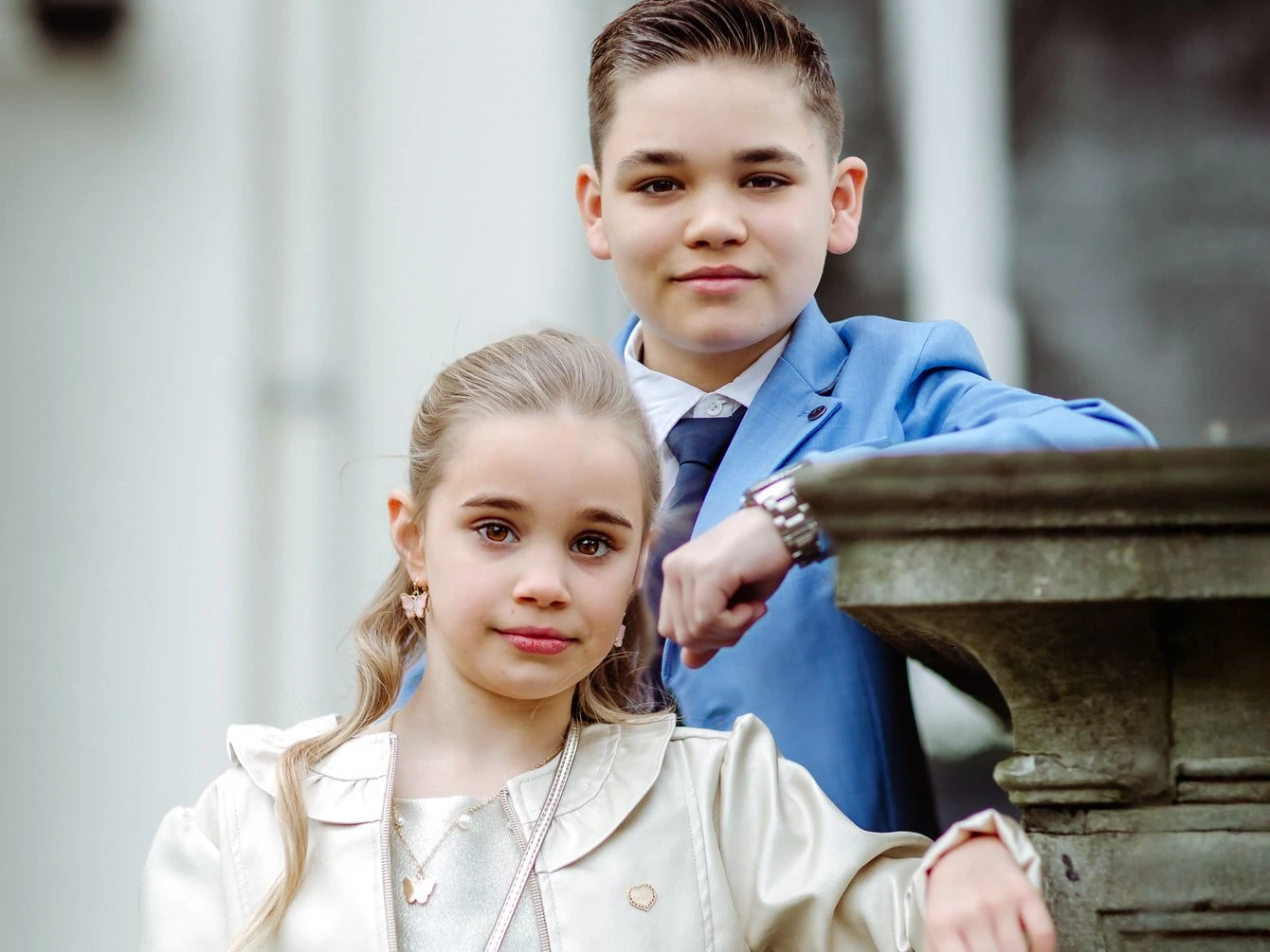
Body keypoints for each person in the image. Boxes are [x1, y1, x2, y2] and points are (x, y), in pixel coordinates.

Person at [141, 330, 1055, 952]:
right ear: (414, 540)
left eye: (592, 543)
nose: (544, 581)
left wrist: (971, 856)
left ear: (636, 572)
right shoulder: (251, 820)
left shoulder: (720, 797)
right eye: (496, 529)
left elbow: (911, 917)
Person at [573, 0, 1157, 834]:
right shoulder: (539, 420)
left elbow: (1114, 454)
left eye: (764, 179)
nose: (714, 224)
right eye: (660, 183)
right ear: (598, 208)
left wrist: (811, 505)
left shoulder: (895, 385)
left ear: (841, 202)